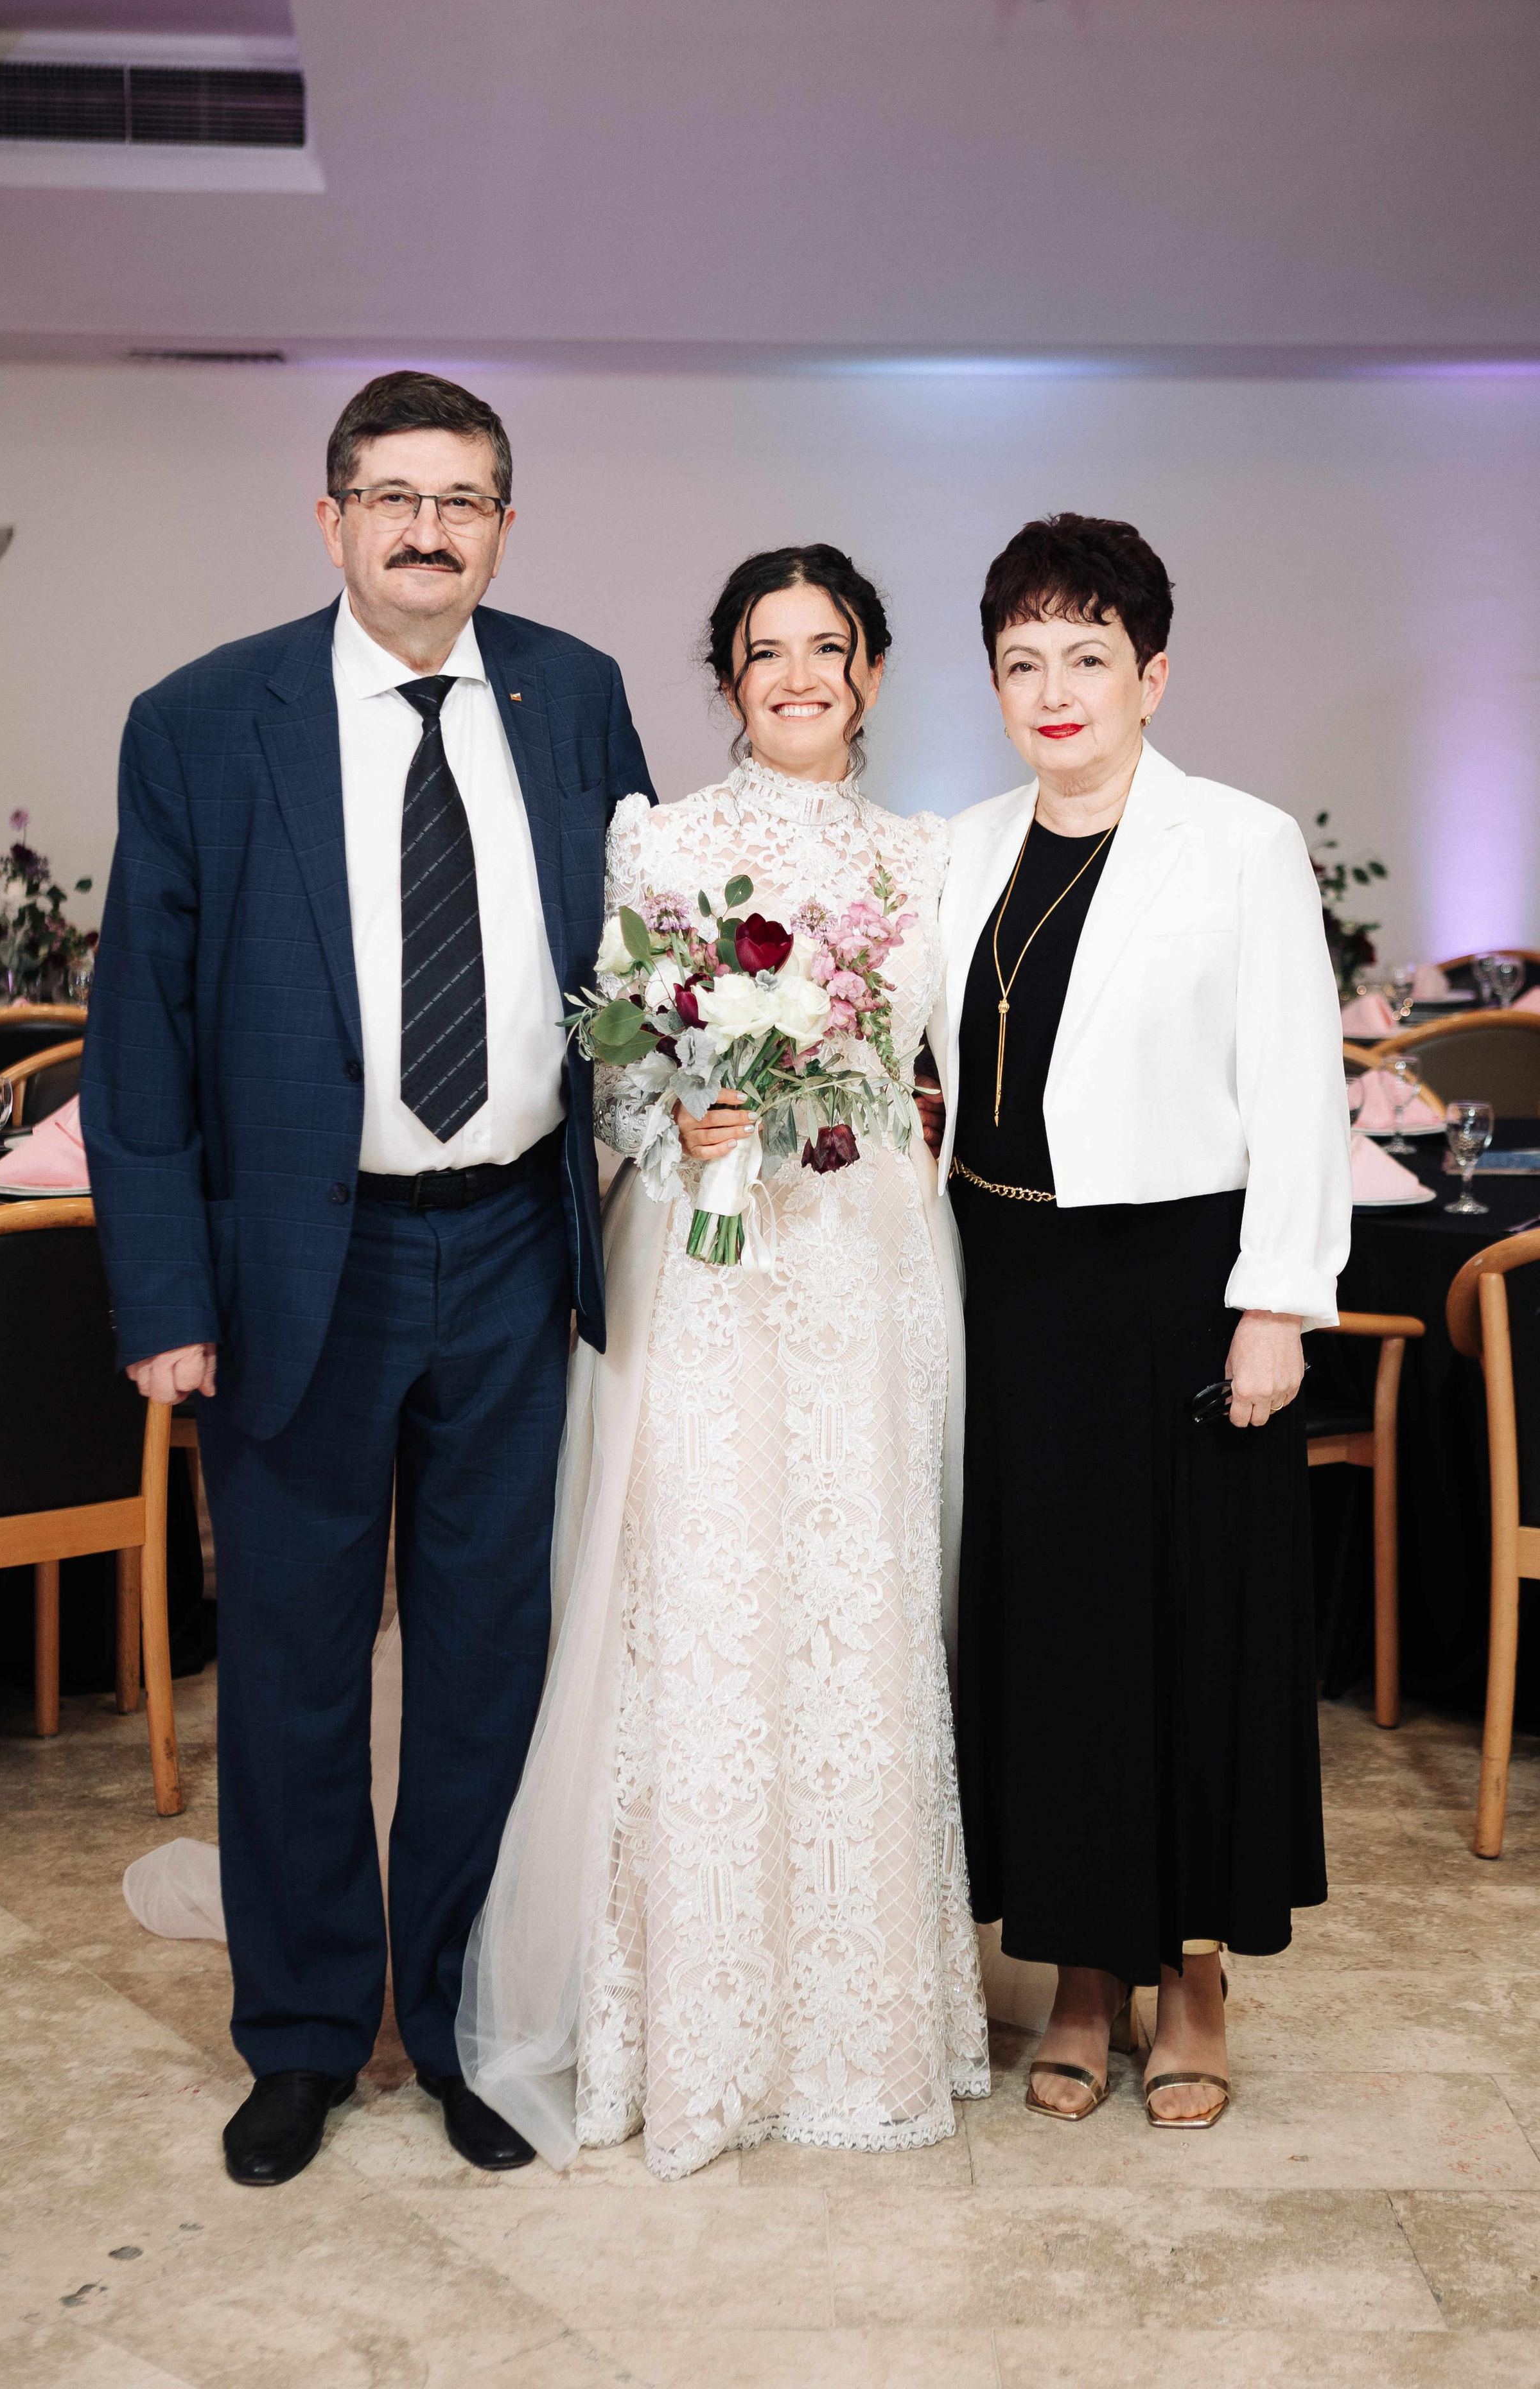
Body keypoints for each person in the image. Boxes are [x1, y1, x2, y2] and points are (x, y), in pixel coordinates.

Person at [85, 371, 653, 2185]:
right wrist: (167, 1298)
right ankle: (309, 2038)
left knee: (494, 1661)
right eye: (393, 496)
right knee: (300, 1665)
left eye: (464, 499)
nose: (428, 528)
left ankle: (473, 2021)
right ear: (328, 519)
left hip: (510, 1249)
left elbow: (642, 972)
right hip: (291, 1263)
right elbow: (140, 1045)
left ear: (503, 526)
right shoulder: (198, 725)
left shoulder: (576, 697)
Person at [457, 545, 990, 2178]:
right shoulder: (659, 842)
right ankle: (681, 2016)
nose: (799, 676)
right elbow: (600, 1063)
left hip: (869, 1271)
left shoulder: (927, 860)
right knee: (699, 1607)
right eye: (767, 651)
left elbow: (951, 1071)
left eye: (829, 648)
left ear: (874, 673)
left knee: (855, 1609)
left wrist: (901, 1113)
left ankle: (859, 2020)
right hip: (703, 1265)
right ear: (726, 676)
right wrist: (671, 1111)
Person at [928, 513, 1348, 2129]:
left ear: (1151, 674)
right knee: (1048, 1640)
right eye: (1022, 660)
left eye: (1087, 657)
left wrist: (1274, 1307)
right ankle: (1076, 1969)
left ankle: (1188, 1972)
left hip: (1181, 1290)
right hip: (1010, 1285)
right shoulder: (961, 846)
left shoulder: (1234, 843)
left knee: (1190, 1634)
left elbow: (1295, 1089)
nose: (1054, 689)